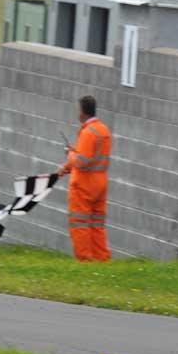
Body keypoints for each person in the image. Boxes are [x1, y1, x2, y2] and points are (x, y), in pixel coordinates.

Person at [58, 96, 112, 262]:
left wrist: (70, 154)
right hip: (100, 184)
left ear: (82, 112)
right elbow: (89, 158)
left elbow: (81, 162)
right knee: (96, 225)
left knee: (79, 224)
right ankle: (101, 259)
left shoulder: (88, 132)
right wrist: (66, 167)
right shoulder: (103, 130)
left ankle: (85, 261)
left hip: (84, 186)